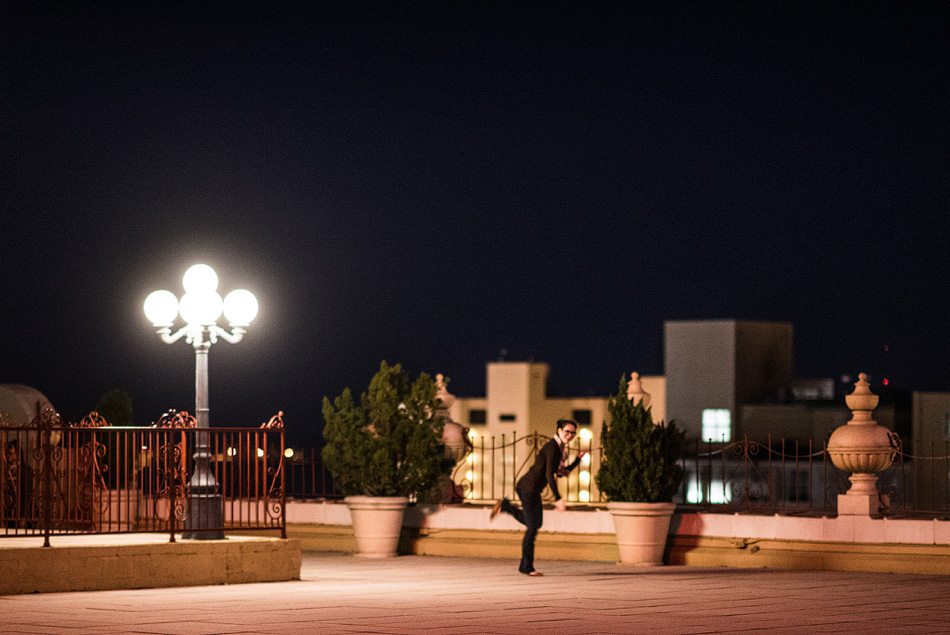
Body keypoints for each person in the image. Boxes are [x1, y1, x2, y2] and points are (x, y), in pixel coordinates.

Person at [490, 419, 586, 576]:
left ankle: (505, 506)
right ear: (559, 430)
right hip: (528, 487)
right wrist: (558, 498)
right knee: (532, 528)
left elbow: (560, 473)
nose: (570, 435)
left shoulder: (560, 448)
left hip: (531, 488)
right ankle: (526, 567)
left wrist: (577, 460)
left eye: (572, 432)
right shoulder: (553, 448)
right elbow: (549, 475)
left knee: (536, 523)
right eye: (567, 431)